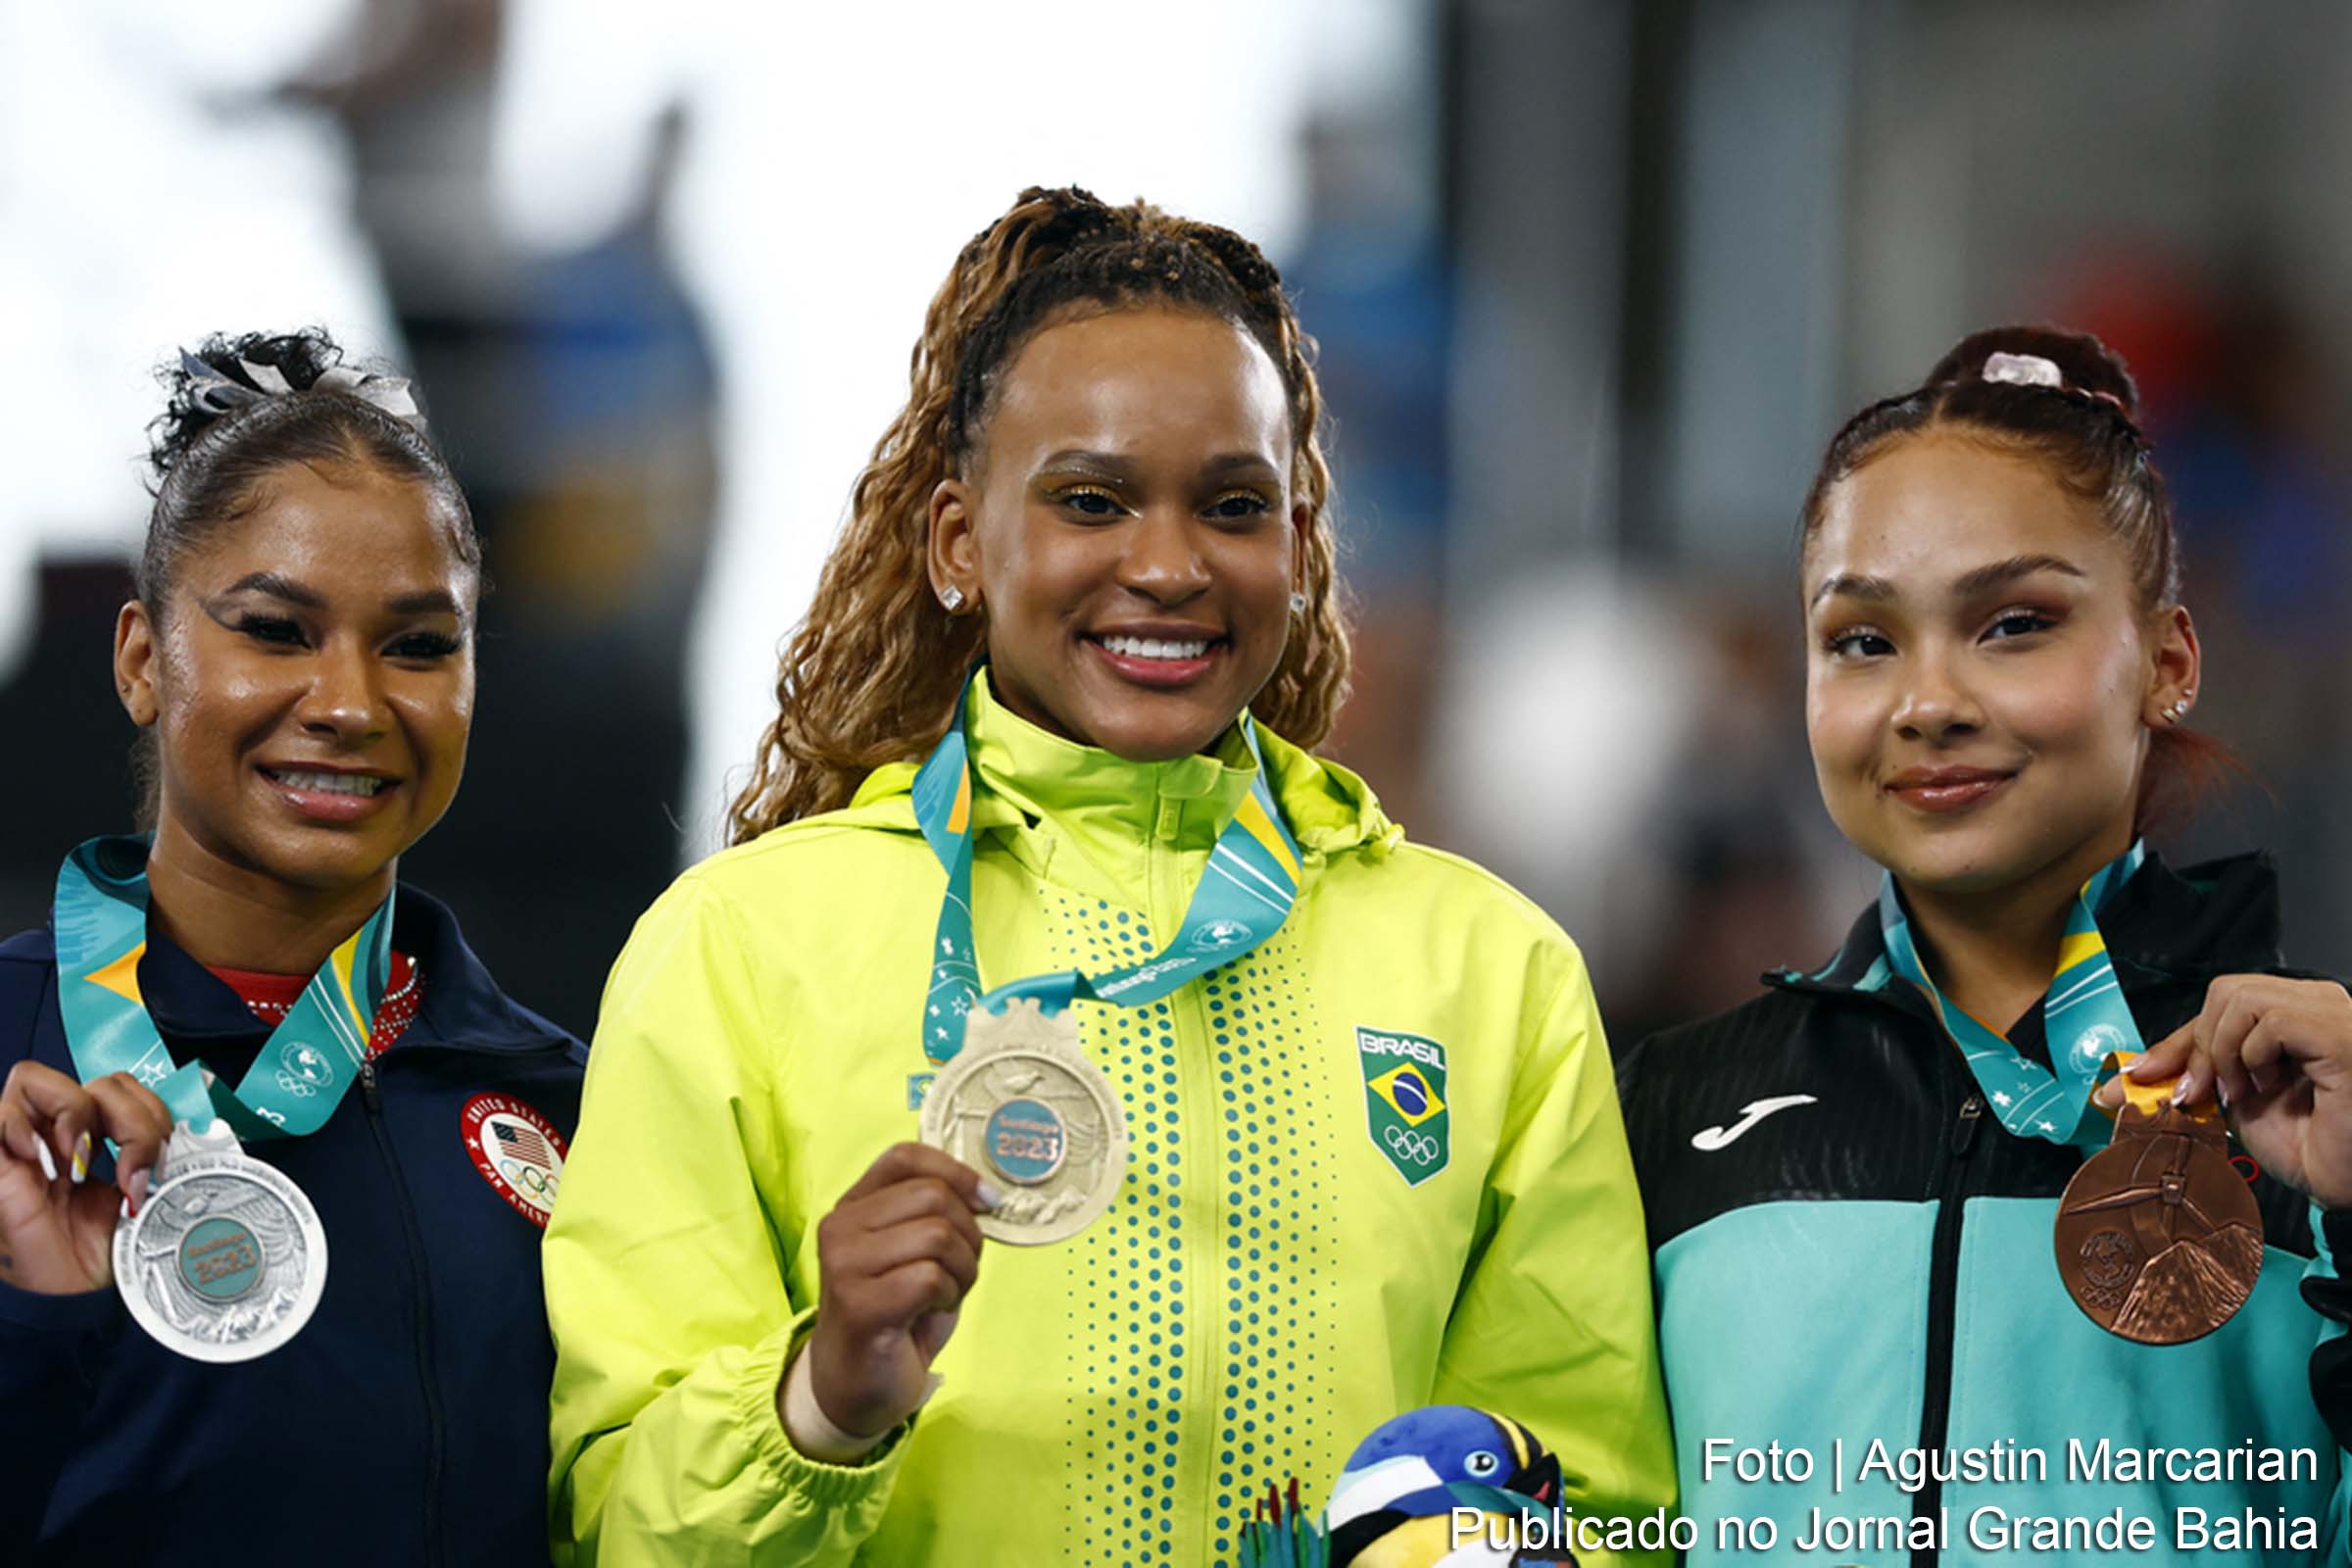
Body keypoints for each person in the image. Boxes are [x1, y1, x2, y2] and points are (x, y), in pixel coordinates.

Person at [545, 185, 1674, 1566]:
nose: (1167, 565)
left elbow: (1603, 1508)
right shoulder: (739, 948)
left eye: (1234, 506)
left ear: (1301, 550)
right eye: (1092, 500)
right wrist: (817, 1405)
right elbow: (610, 1527)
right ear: (962, 544)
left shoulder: (1493, 975)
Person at [1617, 325, 2352, 1563]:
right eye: (1862, 640)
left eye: (2013, 624)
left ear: (2167, 659)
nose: (1929, 702)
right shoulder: (1664, 1108)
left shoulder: (2315, 1100)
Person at [0, 329, 586, 1564]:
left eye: (420, 645)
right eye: (276, 628)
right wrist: (37, 1323)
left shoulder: (566, 1096)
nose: (351, 703)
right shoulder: (12, 1065)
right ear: (143, 660)